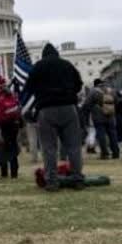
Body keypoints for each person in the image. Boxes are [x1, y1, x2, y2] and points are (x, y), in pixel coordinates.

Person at [24, 43, 85, 192]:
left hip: (46, 109)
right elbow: (79, 84)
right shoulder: (67, 65)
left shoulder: (38, 66)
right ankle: (77, 179)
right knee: (73, 146)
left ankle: (52, 181)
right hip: (68, 108)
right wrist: (68, 93)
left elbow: (28, 87)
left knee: (49, 148)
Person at [83, 79, 119, 159]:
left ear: (95, 84)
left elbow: (87, 104)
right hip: (110, 116)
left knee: (101, 135)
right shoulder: (111, 90)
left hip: (98, 116)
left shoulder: (93, 91)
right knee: (113, 134)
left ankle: (105, 153)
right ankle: (116, 153)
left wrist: (90, 112)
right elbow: (117, 101)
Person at [0, 79, 22, 178]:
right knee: (13, 147)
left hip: (4, 126)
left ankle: (4, 172)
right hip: (14, 125)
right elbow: (18, 111)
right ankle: (14, 172)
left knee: (3, 149)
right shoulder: (14, 98)